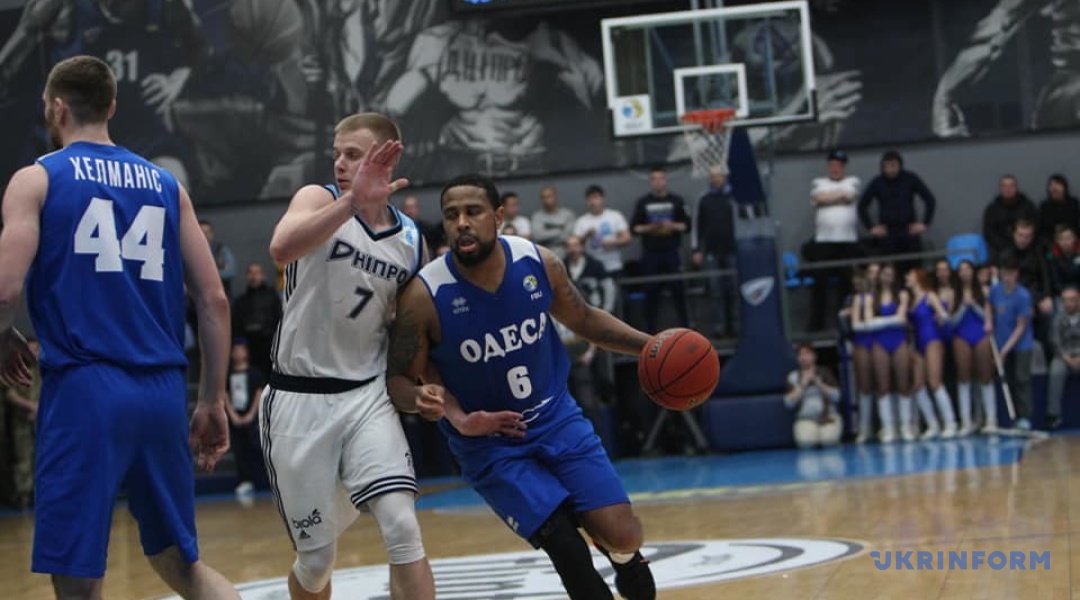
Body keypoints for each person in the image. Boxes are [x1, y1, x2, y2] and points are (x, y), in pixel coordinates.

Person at [0, 55, 236, 600]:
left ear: (56, 108)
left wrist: (3, 333)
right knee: (181, 564)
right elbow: (214, 300)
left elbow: (6, 291)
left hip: (85, 388)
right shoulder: (167, 184)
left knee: (78, 580)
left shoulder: (37, 179)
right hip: (161, 390)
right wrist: (211, 399)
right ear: (112, 107)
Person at [386, 174, 656, 600]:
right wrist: (428, 403)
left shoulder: (538, 262)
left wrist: (652, 346)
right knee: (566, 546)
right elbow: (399, 379)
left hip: (557, 418)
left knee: (623, 533)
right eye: (452, 215)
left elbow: (585, 319)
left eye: (473, 212)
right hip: (490, 445)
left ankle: (624, 557)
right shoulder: (424, 296)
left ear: (498, 217)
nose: (461, 223)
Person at [264, 112, 434, 600]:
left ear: (388, 159)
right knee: (316, 563)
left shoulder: (411, 241)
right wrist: (351, 204)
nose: (340, 163)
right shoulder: (317, 199)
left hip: (366, 397)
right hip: (299, 400)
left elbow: (415, 330)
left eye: (354, 155)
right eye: (337, 154)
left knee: (403, 527)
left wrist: (426, 387)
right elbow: (281, 248)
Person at [905, 269, 958, 439]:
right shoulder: (911, 300)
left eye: (910, 275)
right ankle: (932, 424)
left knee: (935, 382)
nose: (907, 277)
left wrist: (941, 318)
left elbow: (944, 314)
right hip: (918, 342)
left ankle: (950, 423)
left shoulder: (930, 296)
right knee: (918, 384)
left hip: (932, 339)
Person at [988, 259, 1035, 431]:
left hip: (1021, 344)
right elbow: (988, 305)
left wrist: (1005, 351)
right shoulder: (995, 290)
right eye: (1005, 274)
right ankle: (1012, 417)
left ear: (1016, 274)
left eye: (1011, 274)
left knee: (1022, 379)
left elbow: (1021, 326)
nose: (1007, 277)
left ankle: (1025, 417)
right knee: (1008, 380)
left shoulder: (1023, 296)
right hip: (1000, 340)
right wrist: (988, 321)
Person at [950, 260, 995, 436]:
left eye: (967, 269)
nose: (965, 273)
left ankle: (990, 419)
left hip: (980, 334)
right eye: (961, 270)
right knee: (964, 377)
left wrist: (974, 305)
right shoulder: (954, 294)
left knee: (985, 375)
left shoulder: (984, 291)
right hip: (962, 334)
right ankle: (966, 421)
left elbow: (987, 318)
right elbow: (952, 321)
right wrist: (963, 306)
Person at [784, 344, 842, 449]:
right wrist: (803, 385)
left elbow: (837, 397)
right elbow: (788, 403)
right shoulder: (792, 377)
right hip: (805, 418)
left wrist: (819, 384)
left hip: (828, 417)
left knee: (829, 440)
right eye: (800, 355)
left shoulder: (825, 373)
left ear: (814, 356)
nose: (803, 357)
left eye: (807, 354)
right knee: (806, 442)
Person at [1046, 286, 1080, 430]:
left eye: (1072, 300)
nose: (1068, 303)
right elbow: (1055, 342)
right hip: (1063, 356)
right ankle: (1053, 415)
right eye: (1065, 300)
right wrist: (1068, 359)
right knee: (1056, 370)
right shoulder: (1057, 318)